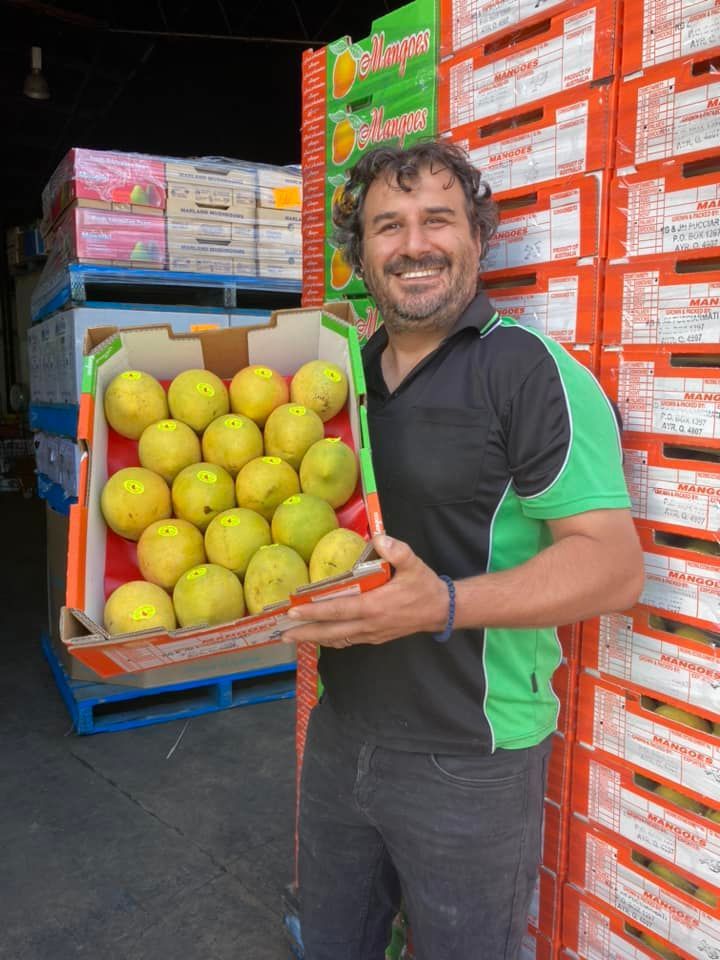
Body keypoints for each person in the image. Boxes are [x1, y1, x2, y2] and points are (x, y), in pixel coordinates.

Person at [283, 141, 644, 960]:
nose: (413, 243)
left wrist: (442, 603)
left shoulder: (529, 372)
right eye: (387, 226)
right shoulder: (337, 380)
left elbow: (615, 566)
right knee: (330, 946)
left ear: (478, 238)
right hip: (341, 730)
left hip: (470, 758)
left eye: (437, 218)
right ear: (361, 254)